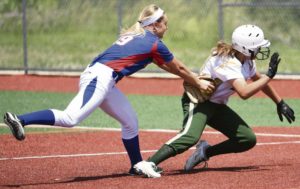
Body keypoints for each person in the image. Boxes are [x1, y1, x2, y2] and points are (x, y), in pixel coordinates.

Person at [3, 4, 215, 178]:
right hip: (100, 77)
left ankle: (136, 165)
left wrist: (191, 79)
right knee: (70, 118)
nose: (166, 28)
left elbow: (167, 66)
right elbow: (178, 67)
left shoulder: (141, 37)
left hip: (105, 80)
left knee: (130, 122)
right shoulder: (153, 43)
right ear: (155, 24)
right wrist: (198, 82)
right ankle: (20, 119)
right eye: (165, 24)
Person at [143, 24, 295, 176]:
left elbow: (259, 80)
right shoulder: (228, 62)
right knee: (190, 137)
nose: (260, 49)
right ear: (246, 49)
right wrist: (269, 76)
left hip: (216, 105)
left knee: (247, 139)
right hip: (198, 102)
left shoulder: (247, 60)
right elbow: (244, 92)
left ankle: (205, 152)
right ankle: (149, 163)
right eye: (257, 47)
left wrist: (279, 102)